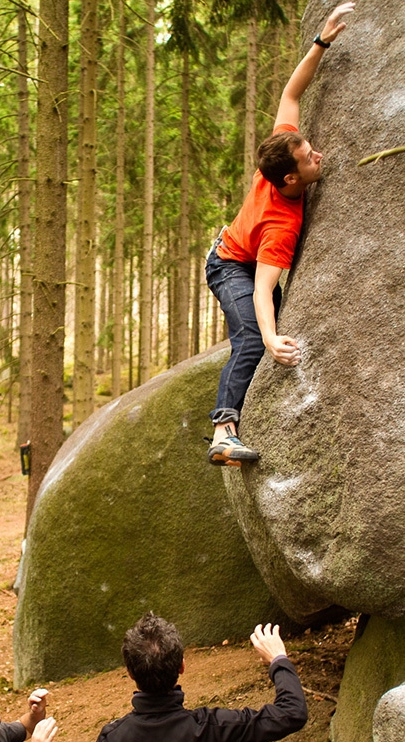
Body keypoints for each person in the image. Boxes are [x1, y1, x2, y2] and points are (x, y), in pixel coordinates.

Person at [206, 2, 356, 466]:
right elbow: (262, 287)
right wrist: (271, 339)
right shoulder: (282, 223)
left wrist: (322, 41)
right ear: (290, 179)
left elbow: (291, 95)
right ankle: (222, 432)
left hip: (247, 254)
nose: (318, 155)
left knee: (257, 328)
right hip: (231, 264)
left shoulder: (279, 157)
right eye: (310, 157)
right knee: (250, 336)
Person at [85, 612, 308, 742]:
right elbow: (291, 711)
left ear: (130, 673)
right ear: (182, 666)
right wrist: (278, 659)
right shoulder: (213, 731)